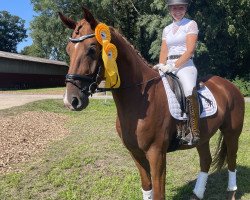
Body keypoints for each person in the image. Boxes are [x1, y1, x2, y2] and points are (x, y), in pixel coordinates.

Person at [154, 0, 200, 145]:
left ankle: (194, 130)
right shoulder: (167, 29)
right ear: (170, 10)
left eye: (180, 8)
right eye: (174, 8)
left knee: (188, 90)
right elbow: (164, 49)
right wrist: (162, 64)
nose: (177, 11)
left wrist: (174, 66)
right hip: (168, 64)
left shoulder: (190, 24)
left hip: (185, 65)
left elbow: (190, 50)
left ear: (185, 9)